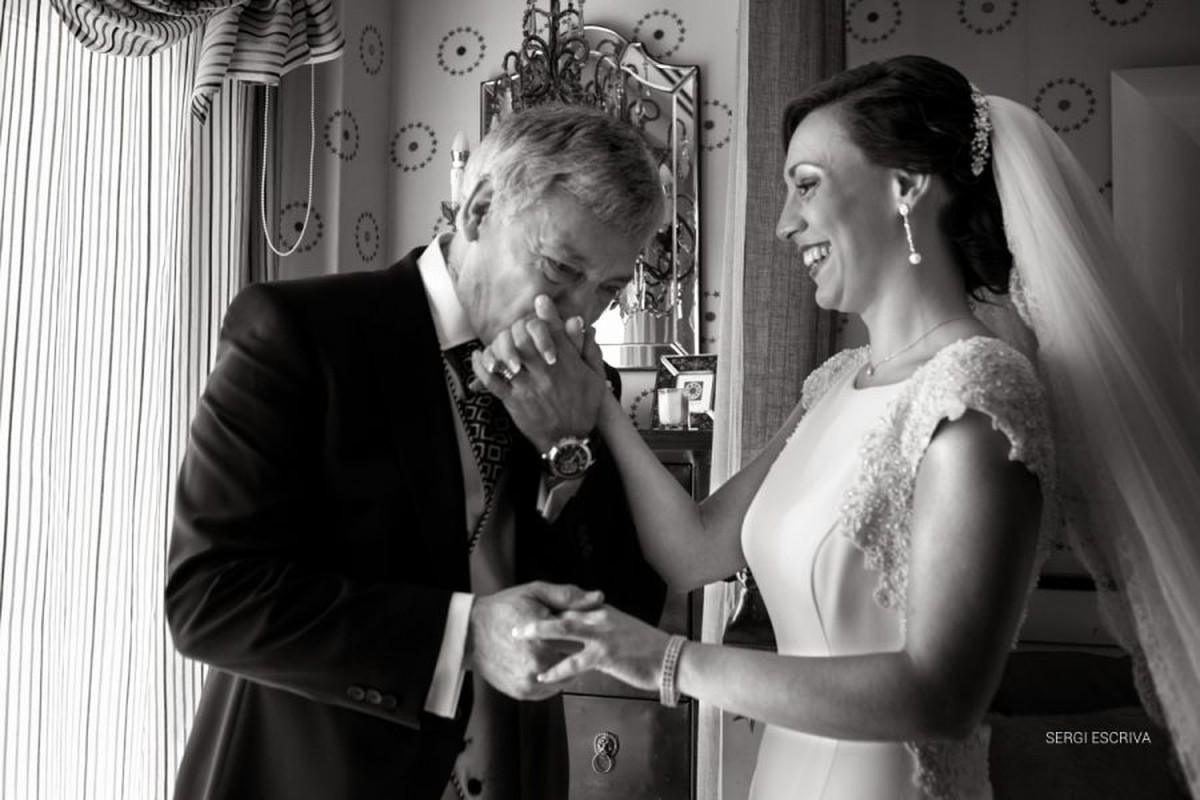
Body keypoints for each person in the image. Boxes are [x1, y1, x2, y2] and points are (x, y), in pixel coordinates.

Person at [487, 54, 1200, 799]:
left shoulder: (979, 390)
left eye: (806, 186)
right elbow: (693, 552)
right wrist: (596, 396)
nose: (783, 224)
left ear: (906, 185)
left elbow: (941, 694)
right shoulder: (837, 382)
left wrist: (665, 661)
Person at [164, 104, 668, 799]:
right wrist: (461, 637)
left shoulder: (586, 381)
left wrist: (566, 451)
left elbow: (632, 607)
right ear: (480, 210)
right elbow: (211, 599)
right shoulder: (302, 333)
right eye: (559, 268)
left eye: (607, 290)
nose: (577, 314)